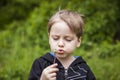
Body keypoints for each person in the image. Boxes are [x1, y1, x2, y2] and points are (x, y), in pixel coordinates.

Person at [28, 10, 96, 80]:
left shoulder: (83, 69)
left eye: (68, 39)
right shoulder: (41, 64)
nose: (60, 44)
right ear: (49, 38)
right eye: (55, 38)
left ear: (78, 41)